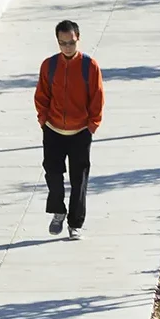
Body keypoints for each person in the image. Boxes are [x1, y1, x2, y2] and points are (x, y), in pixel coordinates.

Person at [34, 19, 105, 238]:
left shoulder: (89, 66)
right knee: (53, 175)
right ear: (57, 42)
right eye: (63, 43)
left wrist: (92, 125)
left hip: (80, 132)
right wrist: (44, 120)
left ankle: (75, 224)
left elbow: (97, 97)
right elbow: (41, 95)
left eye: (71, 42)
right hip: (53, 130)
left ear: (78, 39)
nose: (67, 47)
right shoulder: (49, 65)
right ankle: (58, 211)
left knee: (79, 180)